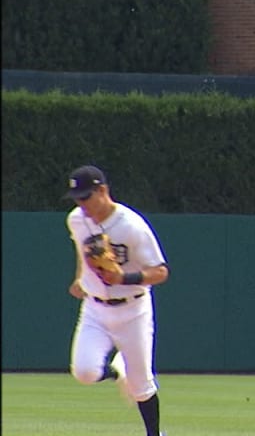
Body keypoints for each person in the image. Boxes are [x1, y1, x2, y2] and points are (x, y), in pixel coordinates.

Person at [65, 165, 170, 436]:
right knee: (84, 372)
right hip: (95, 309)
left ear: (103, 190)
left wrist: (124, 277)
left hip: (133, 309)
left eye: (86, 196)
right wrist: (81, 278)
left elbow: (160, 271)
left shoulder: (132, 225)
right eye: (77, 197)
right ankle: (115, 371)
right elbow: (83, 251)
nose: (81, 203)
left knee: (141, 386)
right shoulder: (77, 220)